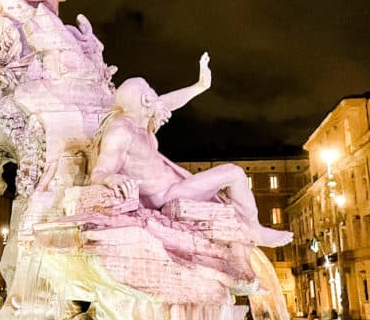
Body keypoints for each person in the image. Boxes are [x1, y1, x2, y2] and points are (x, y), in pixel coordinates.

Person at [89, 52, 292, 248]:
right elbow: (99, 172)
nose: (155, 94)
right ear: (145, 100)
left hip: (179, 183)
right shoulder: (122, 132)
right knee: (235, 173)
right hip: (168, 194)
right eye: (150, 89)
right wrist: (111, 178)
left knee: (229, 185)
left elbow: (167, 102)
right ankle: (255, 231)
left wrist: (200, 85)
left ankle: (247, 228)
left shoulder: (143, 123)